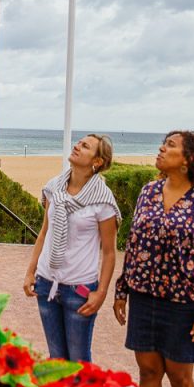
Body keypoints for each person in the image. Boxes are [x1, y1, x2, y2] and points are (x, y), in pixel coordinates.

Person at [112, 131, 194, 387]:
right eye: (163, 144)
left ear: (187, 158)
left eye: (170, 145)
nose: (161, 149)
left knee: (180, 377)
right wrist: (122, 289)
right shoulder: (148, 192)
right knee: (148, 371)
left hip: (183, 303)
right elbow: (133, 242)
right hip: (143, 296)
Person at [22, 134, 119, 362]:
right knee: (56, 360)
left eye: (85, 146)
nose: (77, 146)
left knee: (78, 363)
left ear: (97, 162)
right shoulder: (54, 187)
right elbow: (44, 232)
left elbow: (109, 252)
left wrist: (101, 292)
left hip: (79, 290)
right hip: (46, 284)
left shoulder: (103, 200)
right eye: (79, 142)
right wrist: (30, 271)